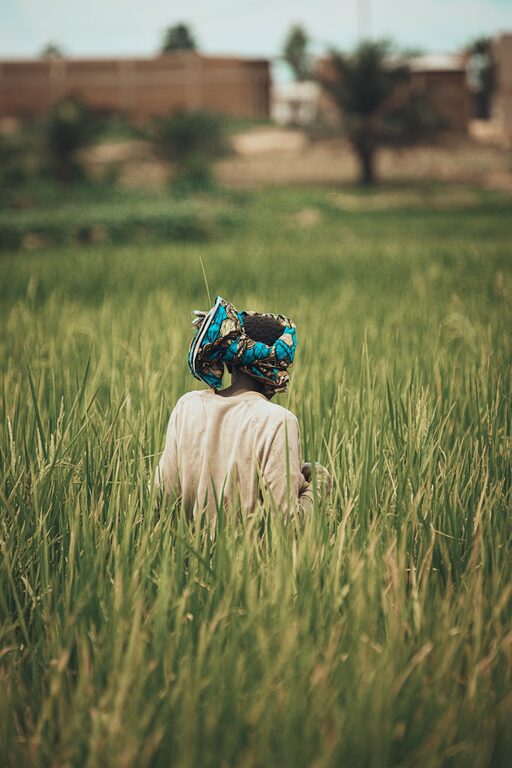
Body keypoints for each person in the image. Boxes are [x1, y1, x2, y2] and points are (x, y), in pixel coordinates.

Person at [154, 295, 330, 522]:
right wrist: (318, 484)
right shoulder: (278, 421)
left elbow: (161, 501)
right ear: (278, 370)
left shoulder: (187, 407)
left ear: (229, 362)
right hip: (250, 558)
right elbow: (285, 526)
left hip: (183, 556)